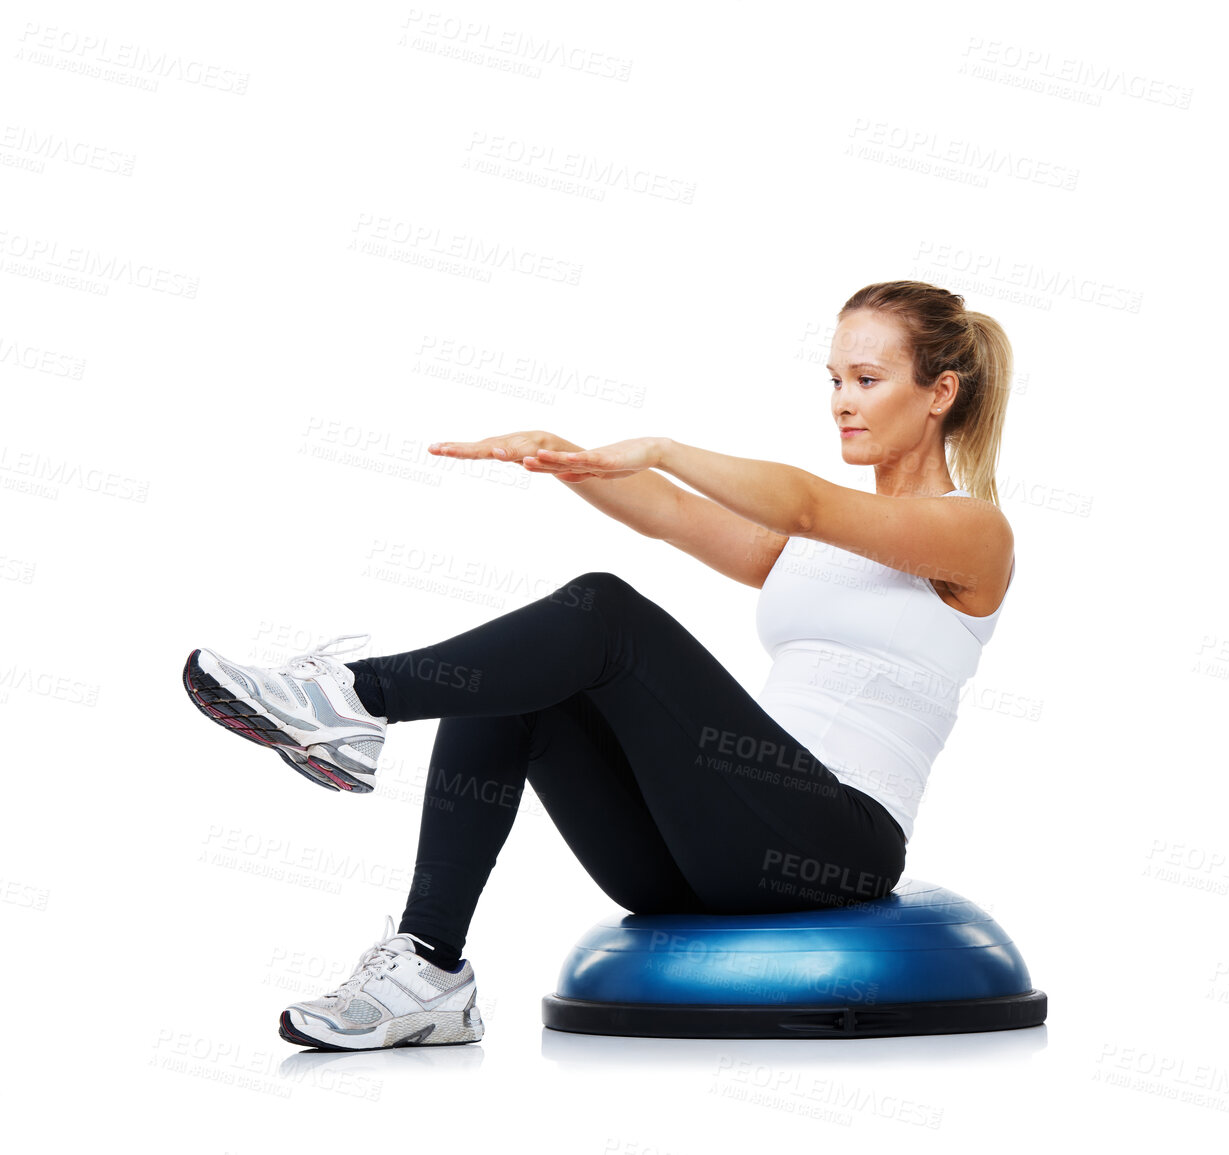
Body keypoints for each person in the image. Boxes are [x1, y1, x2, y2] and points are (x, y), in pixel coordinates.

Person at [182, 281, 1018, 1051]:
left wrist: (658, 444)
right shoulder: (807, 549)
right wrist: (565, 458)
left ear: (939, 391)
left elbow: (802, 502)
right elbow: (667, 517)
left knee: (606, 610)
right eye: (832, 379)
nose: (841, 402)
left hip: (836, 843)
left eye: (866, 379)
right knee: (515, 679)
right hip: (711, 847)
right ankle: (429, 968)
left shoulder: (973, 534)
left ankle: (349, 700)